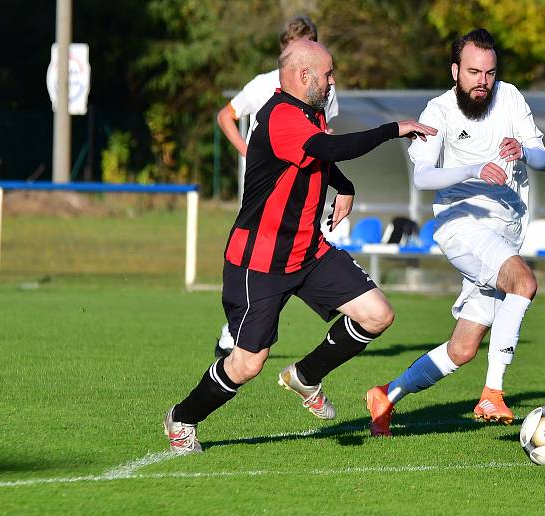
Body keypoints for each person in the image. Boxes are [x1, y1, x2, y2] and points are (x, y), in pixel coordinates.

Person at [164, 39, 437, 454]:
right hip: (260, 259)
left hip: (308, 251)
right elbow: (326, 148)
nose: (333, 81)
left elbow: (319, 157)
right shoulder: (279, 115)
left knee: (377, 314)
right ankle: (182, 418)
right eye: (328, 74)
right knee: (248, 363)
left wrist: (344, 185)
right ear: (304, 76)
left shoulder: (310, 113)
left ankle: (305, 376)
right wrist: (392, 130)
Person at [365, 28, 545, 437]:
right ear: (455, 71)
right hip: (461, 224)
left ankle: (386, 394)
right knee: (523, 282)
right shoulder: (439, 112)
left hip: (506, 232)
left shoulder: (512, 97)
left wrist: (525, 151)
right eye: (473, 72)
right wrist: (471, 169)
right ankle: (493, 392)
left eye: (489, 72)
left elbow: (543, 158)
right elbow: (423, 176)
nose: (482, 80)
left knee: (463, 348)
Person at [214, 15, 339, 359]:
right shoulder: (264, 85)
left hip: (306, 190)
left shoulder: (325, 87)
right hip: (267, 189)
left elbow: (323, 138)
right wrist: (247, 150)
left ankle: (247, 329)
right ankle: (238, 329)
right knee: (263, 256)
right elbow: (226, 115)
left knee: (295, 255)